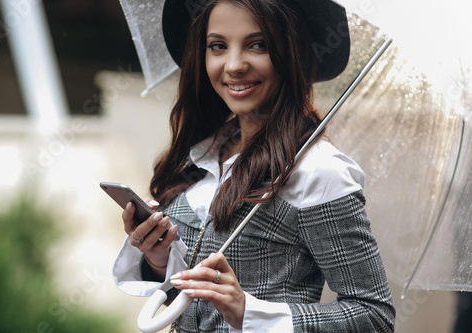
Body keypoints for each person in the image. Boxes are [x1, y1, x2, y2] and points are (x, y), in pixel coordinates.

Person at [113, 0, 396, 331]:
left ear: (293, 52)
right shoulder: (204, 153)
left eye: (258, 45)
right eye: (218, 46)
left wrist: (250, 311)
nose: (233, 65)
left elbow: (374, 316)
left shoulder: (319, 171)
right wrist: (158, 259)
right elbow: (187, 294)